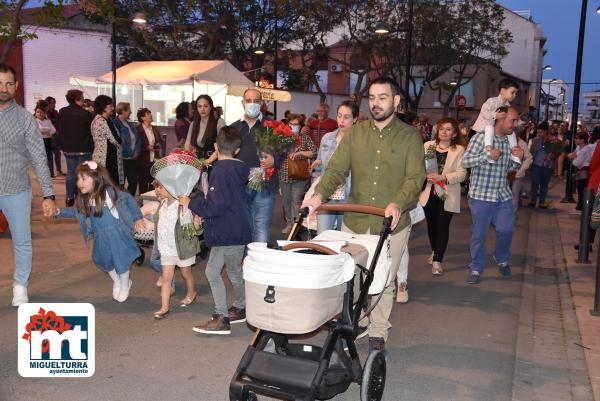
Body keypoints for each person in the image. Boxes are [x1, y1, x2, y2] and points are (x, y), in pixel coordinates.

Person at [302, 76, 426, 353]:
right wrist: (318, 195)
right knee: (352, 276)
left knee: (383, 280)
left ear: (396, 101)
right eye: (372, 97)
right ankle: (353, 321)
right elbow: (335, 170)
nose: (376, 103)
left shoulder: (410, 136)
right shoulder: (356, 134)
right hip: (356, 220)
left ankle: (378, 331)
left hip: (391, 223)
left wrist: (397, 202)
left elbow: (415, 178)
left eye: (383, 97)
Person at [181, 126, 251, 334]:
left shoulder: (220, 171)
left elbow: (216, 205)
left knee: (212, 272)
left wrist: (192, 202)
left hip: (225, 232)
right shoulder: (239, 169)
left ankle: (221, 317)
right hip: (236, 229)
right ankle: (241, 307)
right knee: (234, 271)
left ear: (215, 147)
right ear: (237, 150)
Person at [0, 63, 56, 306]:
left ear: (16, 87)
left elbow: (38, 158)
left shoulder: (25, 119)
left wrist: (48, 194)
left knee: (22, 241)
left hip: (16, 191)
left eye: (9, 84)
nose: (3, 88)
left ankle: (20, 285)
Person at [54, 161, 143, 302]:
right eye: (78, 179)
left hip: (117, 234)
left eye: (83, 179)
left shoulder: (109, 192)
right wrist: (59, 212)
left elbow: (128, 199)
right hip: (100, 237)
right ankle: (117, 281)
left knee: (121, 262)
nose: (79, 183)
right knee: (104, 261)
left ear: (96, 178)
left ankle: (125, 284)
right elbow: (75, 212)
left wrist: (138, 218)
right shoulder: (84, 199)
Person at [462, 106, 524, 284]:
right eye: (513, 120)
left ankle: (500, 256)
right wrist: (487, 155)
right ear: (501, 119)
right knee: (479, 235)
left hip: (503, 194)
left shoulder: (511, 141)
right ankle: (476, 267)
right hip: (481, 195)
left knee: (507, 229)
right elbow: (466, 161)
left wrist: (516, 159)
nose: (515, 124)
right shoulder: (481, 138)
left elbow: (510, 169)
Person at [231, 88, 283, 244]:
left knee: (261, 225)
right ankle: (247, 261)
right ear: (242, 103)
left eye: (256, 101)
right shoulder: (233, 128)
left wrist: (275, 160)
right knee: (245, 225)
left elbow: (284, 151)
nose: (252, 104)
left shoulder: (272, 126)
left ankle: (257, 263)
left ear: (261, 103)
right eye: (248, 100)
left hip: (265, 181)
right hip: (241, 182)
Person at [419, 118, 467, 276]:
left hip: (446, 194)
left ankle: (437, 260)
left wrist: (443, 177)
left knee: (442, 226)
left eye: (448, 129)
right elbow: (419, 166)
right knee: (432, 226)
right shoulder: (429, 146)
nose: (444, 132)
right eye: (442, 129)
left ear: (454, 134)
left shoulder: (458, 150)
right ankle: (435, 250)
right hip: (428, 193)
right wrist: (424, 175)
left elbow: (462, 174)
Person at [150, 179, 201, 319]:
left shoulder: (183, 205)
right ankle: (164, 307)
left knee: (186, 273)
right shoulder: (162, 204)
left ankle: (191, 293)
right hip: (166, 248)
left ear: (171, 188)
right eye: (156, 187)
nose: (157, 190)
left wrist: (196, 227)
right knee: (167, 278)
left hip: (182, 248)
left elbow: (193, 228)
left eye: (160, 187)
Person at [310, 101, 358, 234]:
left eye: (347, 117)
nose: (341, 120)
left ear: (355, 119)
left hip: (349, 197)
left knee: (345, 241)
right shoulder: (327, 138)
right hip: (327, 196)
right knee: (322, 237)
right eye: (339, 115)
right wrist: (318, 163)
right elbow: (322, 165)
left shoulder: (360, 141)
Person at [280, 113, 317, 234]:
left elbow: (314, 152)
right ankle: (289, 223)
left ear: (300, 126)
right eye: (292, 124)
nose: (294, 126)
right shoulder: (282, 138)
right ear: (288, 124)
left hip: (300, 175)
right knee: (286, 200)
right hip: (284, 174)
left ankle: (296, 226)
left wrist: (300, 153)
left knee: (296, 200)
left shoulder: (305, 138)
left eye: (296, 124)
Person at [58, 89, 93, 206]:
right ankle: (81, 196)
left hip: (68, 147)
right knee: (82, 173)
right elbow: (91, 128)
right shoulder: (85, 113)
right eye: (82, 97)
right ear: (77, 99)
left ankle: (69, 197)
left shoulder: (62, 111)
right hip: (83, 147)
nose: (83, 99)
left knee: (70, 172)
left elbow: (60, 128)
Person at [91, 95, 124, 187]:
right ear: (103, 107)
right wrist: (122, 141)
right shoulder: (101, 121)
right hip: (105, 159)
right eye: (110, 106)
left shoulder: (103, 120)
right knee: (107, 185)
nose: (113, 108)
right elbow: (115, 139)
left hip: (107, 156)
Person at [185, 94, 226, 164]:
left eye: (205, 106)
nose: (202, 109)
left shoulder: (219, 122)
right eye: (199, 106)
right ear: (197, 109)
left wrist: (208, 161)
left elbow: (223, 146)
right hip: (197, 162)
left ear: (210, 107)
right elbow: (187, 145)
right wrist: (189, 158)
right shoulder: (194, 124)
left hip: (214, 162)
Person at [112, 102, 141, 196]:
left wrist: (136, 152)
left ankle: (129, 200)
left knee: (133, 182)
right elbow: (119, 142)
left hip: (132, 158)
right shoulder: (115, 123)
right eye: (129, 110)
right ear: (123, 111)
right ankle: (120, 203)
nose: (131, 112)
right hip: (122, 159)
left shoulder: (130, 124)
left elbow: (138, 139)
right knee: (120, 183)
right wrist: (130, 153)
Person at [529, 122, 556, 208]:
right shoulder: (535, 140)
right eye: (538, 132)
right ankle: (533, 201)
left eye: (541, 132)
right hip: (537, 164)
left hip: (547, 165)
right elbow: (532, 151)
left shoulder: (553, 141)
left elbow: (555, 154)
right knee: (535, 182)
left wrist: (552, 155)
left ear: (545, 132)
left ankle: (542, 202)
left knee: (544, 184)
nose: (539, 134)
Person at [136, 107, 162, 194]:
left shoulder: (154, 129)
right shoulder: (138, 130)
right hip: (143, 160)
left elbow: (159, 141)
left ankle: (151, 202)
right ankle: (143, 203)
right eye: (148, 114)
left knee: (153, 183)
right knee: (143, 183)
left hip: (154, 159)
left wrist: (158, 144)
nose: (151, 115)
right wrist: (146, 148)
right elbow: (136, 145)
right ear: (142, 118)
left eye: (150, 113)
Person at [568, 132, 595, 211]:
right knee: (580, 190)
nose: (575, 140)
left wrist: (573, 157)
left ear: (582, 140)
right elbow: (571, 155)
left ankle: (581, 208)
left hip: (584, 171)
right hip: (581, 171)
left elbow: (576, 162)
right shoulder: (579, 147)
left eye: (577, 138)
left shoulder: (585, 149)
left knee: (582, 190)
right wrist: (573, 156)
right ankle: (580, 208)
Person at [511, 128, 533, 210]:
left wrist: (522, 169)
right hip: (506, 173)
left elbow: (529, 158)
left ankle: (512, 213)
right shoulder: (506, 141)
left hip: (518, 174)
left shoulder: (522, 143)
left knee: (515, 194)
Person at [34, 100, 57, 177]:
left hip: (48, 141)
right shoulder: (34, 121)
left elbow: (53, 130)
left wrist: (45, 130)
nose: (39, 113)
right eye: (37, 112)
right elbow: (38, 130)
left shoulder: (48, 121)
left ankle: (51, 173)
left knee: (49, 158)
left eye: (41, 112)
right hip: (39, 142)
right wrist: (47, 130)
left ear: (44, 113)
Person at [44, 96, 64, 176]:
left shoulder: (56, 112)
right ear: (48, 104)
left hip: (56, 136)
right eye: (52, 103)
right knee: (49, 156)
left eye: (54, 103)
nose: (54, 105)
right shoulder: (44, 113)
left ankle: (59, 171)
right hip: (48, 137)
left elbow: (59, 122)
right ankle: (51, 172)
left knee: (57, 154)